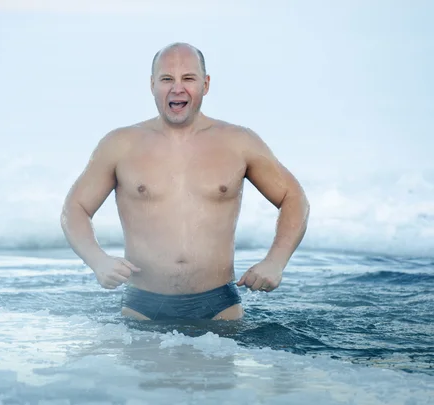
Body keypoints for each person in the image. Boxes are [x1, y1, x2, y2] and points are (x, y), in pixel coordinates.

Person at [60, 42, 310, 321]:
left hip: (219, 305)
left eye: (188, 78)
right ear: (152, 84)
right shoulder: (120, 144)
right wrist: (97, 260)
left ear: (205, 84)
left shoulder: (239, 142)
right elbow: (75, 207)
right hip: (142, 306)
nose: (177, 88)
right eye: (167, 79)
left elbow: (293, 197)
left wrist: (275, 262)